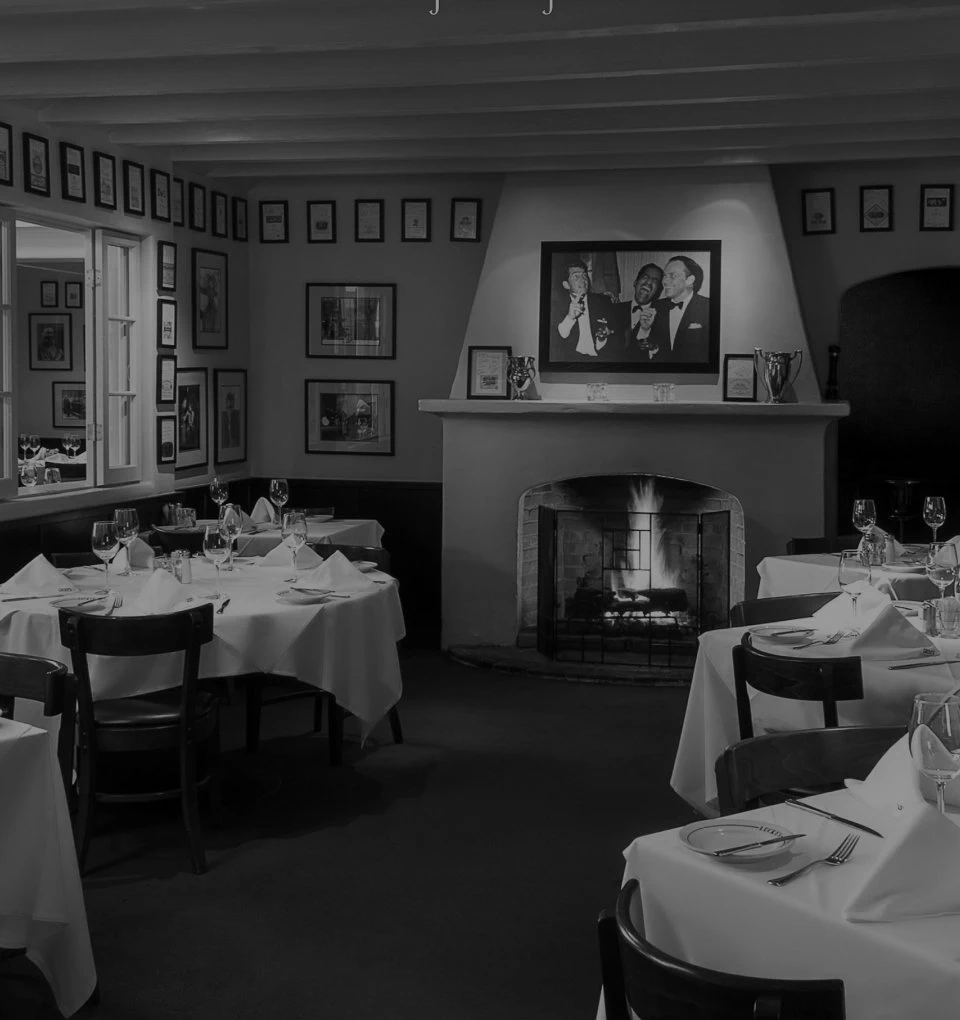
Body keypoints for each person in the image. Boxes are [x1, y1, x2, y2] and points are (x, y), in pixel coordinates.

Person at [643, 256, 711, 364]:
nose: (665, 281)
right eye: (665, 276)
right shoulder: (656, 307)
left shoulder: (709, 307)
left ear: (690, 280)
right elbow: (641, 352)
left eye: (672, 276)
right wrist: (645, 329)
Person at [552, 259, 618, 359]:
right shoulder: (557, 305)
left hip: (600, 359)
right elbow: (558, 340)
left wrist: (602, 338)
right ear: (566, 285)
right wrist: (570, 318)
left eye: (584, 275)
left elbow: (615, 337)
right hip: (573, 361)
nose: (583, 280)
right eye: (576, 276)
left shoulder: (603, 301)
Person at [615, 263, 664, 360]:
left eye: (655, 281)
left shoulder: (663, 317)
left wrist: (653, 348)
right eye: (645, 277)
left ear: (658, 291)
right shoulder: (614, 309)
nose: (648, 283)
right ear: (635, 282)